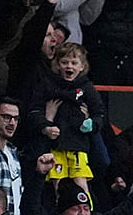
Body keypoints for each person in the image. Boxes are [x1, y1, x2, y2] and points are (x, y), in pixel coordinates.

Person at [29, 42, 106, 200]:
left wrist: (91, 124)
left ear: (82, 66)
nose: (69, 66)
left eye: (74, 63)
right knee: (59, 183)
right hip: (55, 145)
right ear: (57, 65)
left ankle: (86, 210)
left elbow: (99, 113)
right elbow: (34, 111)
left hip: (78, 146)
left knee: (81, 182)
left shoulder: (87, 88)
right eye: (64, 62)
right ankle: (62, 210)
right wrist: (45, 126)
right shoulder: (48, 85)